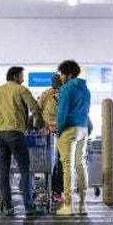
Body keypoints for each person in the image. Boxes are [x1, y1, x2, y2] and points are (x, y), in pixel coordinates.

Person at [0, 66, 43, 216]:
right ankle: (29, 206)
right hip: (15, 132)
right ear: (15, 76)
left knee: (4, 170)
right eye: (22, 75)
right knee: (24, 168)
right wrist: (39, 124)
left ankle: (7, 207)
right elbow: (34, 108)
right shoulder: (21, 90)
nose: (24, 78)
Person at [55, 60, 91, 216]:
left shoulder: (66, 88)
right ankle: (83, 205)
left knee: (67, 166)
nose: (61, 77)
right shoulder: (86, 89)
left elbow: (61, 114)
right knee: (80, 164)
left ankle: (68, 205)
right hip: (83, 129)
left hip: (69, 130)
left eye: (62, 74)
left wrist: (58, 130)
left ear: (68, 74)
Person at [37, 74, 64, 202]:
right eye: (54, 81)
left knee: (58, 163)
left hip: (60, 132)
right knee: (48, 162)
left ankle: (56, 190)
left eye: (57, 81)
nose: (55, 83)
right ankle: (51, 189)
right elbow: (38, 111)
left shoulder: (65, 94)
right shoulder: (46, 94)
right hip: (48, 133)